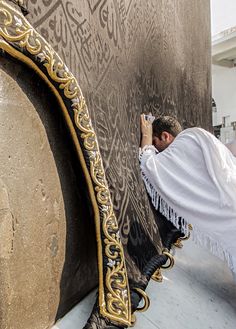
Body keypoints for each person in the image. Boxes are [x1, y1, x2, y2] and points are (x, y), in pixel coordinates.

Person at [139, 114, 236, 276]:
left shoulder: (183, 145)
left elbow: (149, 166)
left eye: (156, 143)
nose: (155, 149)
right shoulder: (198, 135)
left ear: (165, 136)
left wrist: (146, 139)